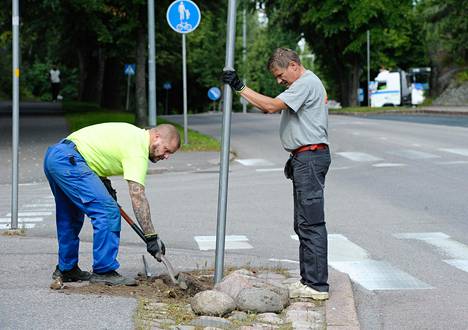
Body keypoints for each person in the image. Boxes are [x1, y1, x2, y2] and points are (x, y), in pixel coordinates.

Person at [222, 48, 331, 300]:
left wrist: (239, 86)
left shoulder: (306, 83)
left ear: (294, 65)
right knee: (303, 221)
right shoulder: (301, 85)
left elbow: (271, 106)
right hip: (305, 158)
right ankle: (309, 282)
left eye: (280, 75)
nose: (279, 80)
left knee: (311, 222)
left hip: (310, 158)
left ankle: (317, 285)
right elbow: (268, 105)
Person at [43, 123, 181, 286]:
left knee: (70, 215)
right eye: (166, 150)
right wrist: (151, 236)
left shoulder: (133, 134)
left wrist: (104, 185)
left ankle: (67, 269)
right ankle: (104, 271)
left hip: (57, 157)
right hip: (70, 160)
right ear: (156, 137)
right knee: (107, 212)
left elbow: (96, 153)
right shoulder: (138, 150)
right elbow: (137, 196)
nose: (166, 156)